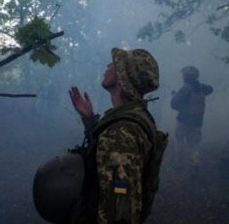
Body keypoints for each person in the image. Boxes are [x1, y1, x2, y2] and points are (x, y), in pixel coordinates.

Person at [68, 48, 162, 224]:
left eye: (115, 63)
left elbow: (120, 204)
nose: (109, 65)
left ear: (122, 78)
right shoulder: (133, 119)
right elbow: (109, 154)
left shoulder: (121, 132)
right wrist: (89, 120)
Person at [170, 66, 213, 172]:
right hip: (197, 122)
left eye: (184, 75)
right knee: (194, 145)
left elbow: (173, 104)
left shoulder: (185, 88)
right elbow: (210, 89)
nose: (182, 77)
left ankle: (179, 164)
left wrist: (177, 98)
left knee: (179, 141)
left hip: (183, 121)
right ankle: (195, 163)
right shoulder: (203, 88)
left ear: (187, 77)